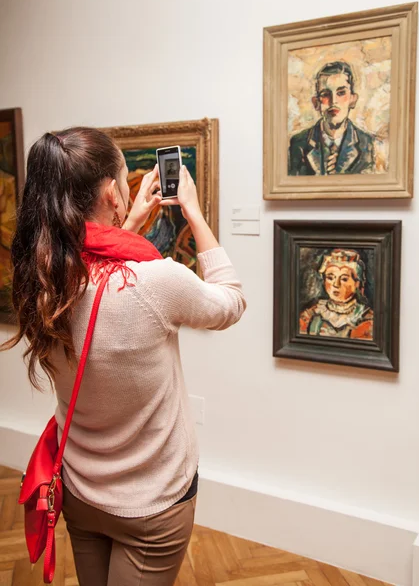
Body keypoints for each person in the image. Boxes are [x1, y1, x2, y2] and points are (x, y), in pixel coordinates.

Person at [1, 127, 246, 586]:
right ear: (113, 191)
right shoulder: (155, 280)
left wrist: (127, 226)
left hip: (80, 490)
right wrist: (190, 207)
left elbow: (95, 276)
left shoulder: (39, 276)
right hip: (151, 502)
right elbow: (229, 302)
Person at [288, 61, 375, 175]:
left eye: (341, 92)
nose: (333, 101)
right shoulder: (299, 143)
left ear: (353, 100)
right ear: (316, 103)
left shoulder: (366, 143)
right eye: (325, 94)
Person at [299, 249, 373, 340]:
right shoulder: (311, 314)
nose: (336, 284)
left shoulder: (366, 318)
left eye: (344, 279)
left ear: (356, 283)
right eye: (330, 278)